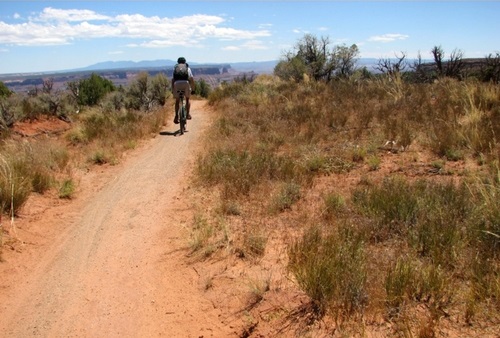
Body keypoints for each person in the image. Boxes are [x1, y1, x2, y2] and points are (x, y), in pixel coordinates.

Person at [171, 57, 195, 124]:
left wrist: (173, 90)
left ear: (178, 62)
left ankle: (176, 116)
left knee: (177, 100)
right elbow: (192, 79)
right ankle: (187, 114)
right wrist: (193, 89)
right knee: (187, 99)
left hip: (177, 84)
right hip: (185, 83)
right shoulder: (188, 68)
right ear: (185, 62)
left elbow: (173, 80)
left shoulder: (175, 68)